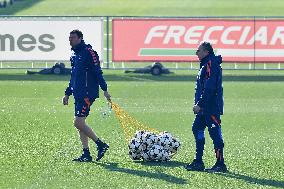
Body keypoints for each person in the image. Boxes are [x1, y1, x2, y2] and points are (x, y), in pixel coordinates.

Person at [62, 29, 111, 162]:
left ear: (80, 38)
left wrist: (105, 89)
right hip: (78, 93)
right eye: (69, 38)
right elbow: (74, 76)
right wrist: (67, 93)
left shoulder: (89, 52)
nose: (70, 40)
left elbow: (97, 72)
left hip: (87, 93)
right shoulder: (74, 54)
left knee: (77, 122)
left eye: (72, 38)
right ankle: (86, 153)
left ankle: (101, 144)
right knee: (80, 124)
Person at [185, 42, 227, 172]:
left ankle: (220, 164)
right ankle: (198, 162)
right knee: (197, 128)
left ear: (206, 52)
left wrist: (200, 104)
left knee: (215, 135)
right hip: (204, 108)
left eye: (198, 50)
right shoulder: (205, 64)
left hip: (211, 107)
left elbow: (209, 87)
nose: (196, 53)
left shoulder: (211, 64)